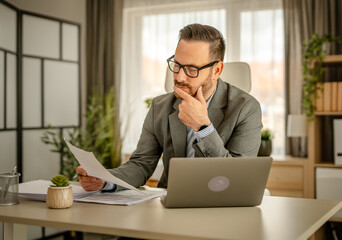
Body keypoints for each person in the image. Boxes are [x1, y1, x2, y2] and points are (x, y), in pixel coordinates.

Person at [76, 23, 262, 192]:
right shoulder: (160, 106)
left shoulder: (246, 108)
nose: (180, 77)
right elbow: (141, 164)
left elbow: (237, 179)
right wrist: (105, 180)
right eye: (177, 65)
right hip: (170, 203)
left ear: (217, 70)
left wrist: (203, 128)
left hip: (221, 206)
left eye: (191, 69)